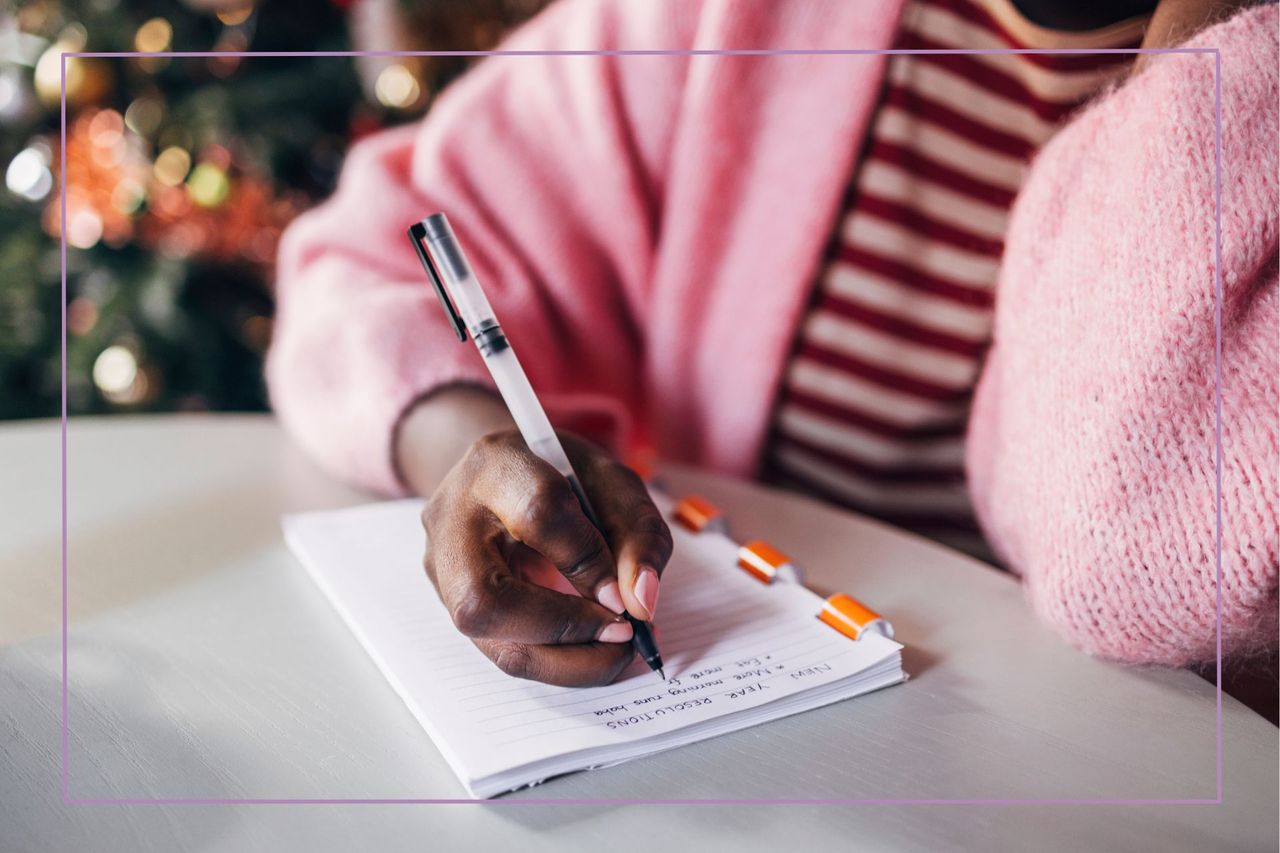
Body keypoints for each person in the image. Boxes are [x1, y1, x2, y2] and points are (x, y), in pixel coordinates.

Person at [266, 0, 1278, 692]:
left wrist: (1210, 54)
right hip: (753, 734)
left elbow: (1144, 546)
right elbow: (357, 263)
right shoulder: (731, 22)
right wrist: (476, 454)